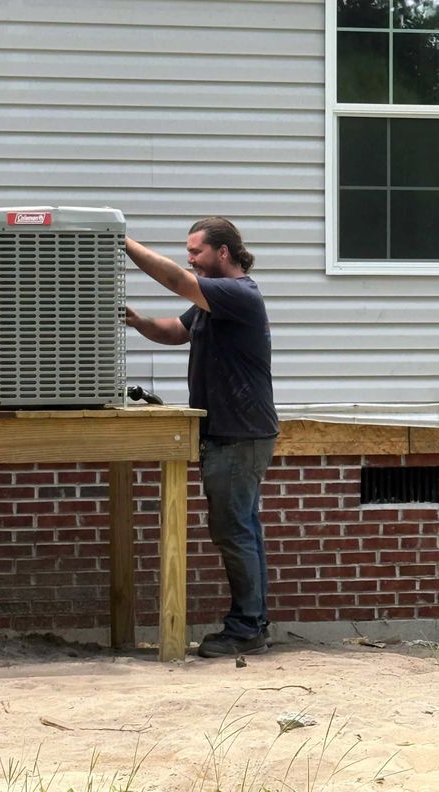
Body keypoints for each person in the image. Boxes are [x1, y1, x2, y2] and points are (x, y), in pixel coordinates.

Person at [125, 217, 279, 658]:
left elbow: (176, 279)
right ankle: (252, 622)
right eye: (189, 252)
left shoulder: (238, 293)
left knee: (234, 531)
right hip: (232, 433)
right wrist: (138, 322)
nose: (191, 258)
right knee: (241, 529)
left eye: (196, 251)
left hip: (239, 435)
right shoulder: (213, 302)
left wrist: (122, 240)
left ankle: (247, 628)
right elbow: (177, 330)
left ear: (223, 252)